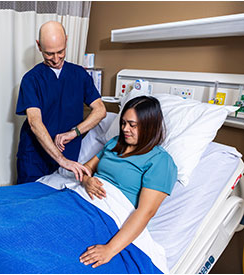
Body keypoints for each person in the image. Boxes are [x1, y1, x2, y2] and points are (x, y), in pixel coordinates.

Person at [78, 96, 177, 268]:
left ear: (149, 126)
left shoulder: (161, 161)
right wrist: (87, 181)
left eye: (132, 125)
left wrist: (110, 249)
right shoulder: (115, 143)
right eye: (123, 123)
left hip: (106, 214)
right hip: (79, 199)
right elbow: (86, 168)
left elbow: (145, 212)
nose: (125, 129)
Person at [16, 21, 106, 184]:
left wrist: (74, 133)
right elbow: (35, 122)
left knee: (59, 204)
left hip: (68, 154)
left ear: (66, 40)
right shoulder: (31, 79)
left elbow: (100, 110)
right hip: (35, 157)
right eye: (49, 54)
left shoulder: (80, 74)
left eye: (60, 51)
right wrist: (61, 160)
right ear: (39, 46)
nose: (56, 59)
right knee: (28, 202)